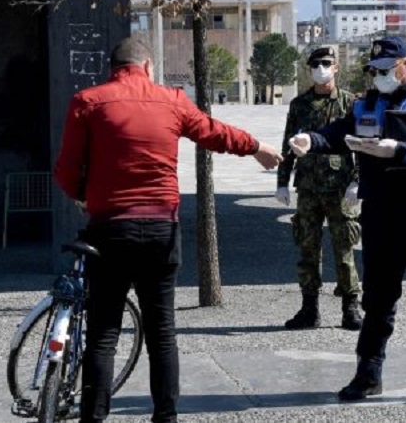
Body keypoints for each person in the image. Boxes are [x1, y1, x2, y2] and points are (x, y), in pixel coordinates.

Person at [54, 37, 283, 423]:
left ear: (112, 68)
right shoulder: (171, 100)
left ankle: (93, 418)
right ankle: (166, 416)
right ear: (147, 66)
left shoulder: (88, 101)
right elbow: (214, 132)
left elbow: (65, 170)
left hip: (110, 229)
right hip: (161, 229)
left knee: (104, 334)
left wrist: (84, 196)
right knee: (162, 333)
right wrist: (256, 146)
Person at [287, 37, 406, 405]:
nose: (379, 77)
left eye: (386, 70)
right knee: (377, 298)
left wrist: (399, 150)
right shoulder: (367, 104)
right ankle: (368, 374)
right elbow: (339, 133)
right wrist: (311, 140)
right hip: (380, 213)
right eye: (374, 71)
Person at [276, 46, 363, 331]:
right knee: (308, 249)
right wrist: (282, 182)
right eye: (315, 64)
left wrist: (358, 180)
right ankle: (309, 309)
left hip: (340, 187)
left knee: (344, 249)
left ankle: (351, 307)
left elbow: (361, 145)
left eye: (326, 63)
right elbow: (288, 144)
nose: (320, 69)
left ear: (336, 67)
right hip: (308, 188)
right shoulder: (299, 105)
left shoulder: (350, 103)